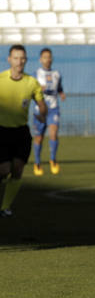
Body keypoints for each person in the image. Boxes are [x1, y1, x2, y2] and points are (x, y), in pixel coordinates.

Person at [0, 45, 47, 218]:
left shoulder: (31, 82)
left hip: (21, 132)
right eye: (16, 58)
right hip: (2, 131)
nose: (19, 61)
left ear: (26, 60)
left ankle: (4, 207)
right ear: (9, 59)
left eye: (22, 58)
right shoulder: (1, 79)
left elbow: (41, 104)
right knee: (4, 169)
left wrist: (43, 114)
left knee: (18, 169)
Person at [31, 48, 65, 176]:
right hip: (40, 110)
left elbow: (59, 86)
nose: (47, 59)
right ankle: (37, 163)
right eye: (45, 57)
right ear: (40, 59)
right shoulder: (36, 74)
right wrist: (39, 88)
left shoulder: (57, 74)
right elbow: (32, 90)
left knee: (53, 133)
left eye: (49, 57)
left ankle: (52, 160)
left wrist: (61, 93)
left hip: (53, 108)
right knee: (39, 138)